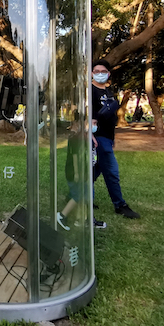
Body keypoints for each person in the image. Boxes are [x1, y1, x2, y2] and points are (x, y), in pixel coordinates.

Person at [91, 60, 140, 219]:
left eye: (103, 71)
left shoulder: (109, 92)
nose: (100, 74)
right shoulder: (89, 91)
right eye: (96, 71)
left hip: (107, 137)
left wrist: (112, 138)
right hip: (98, 137)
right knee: (111, 172)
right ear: (91, 73)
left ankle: (80, 198)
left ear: (108, 73)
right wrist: (90, 133)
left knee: (94, 171)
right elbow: (85, 114)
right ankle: (120, 205)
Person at [57, 115, 106, 230]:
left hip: (83, 171)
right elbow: (75, 156)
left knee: (84, 195)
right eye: (92, 123)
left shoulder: (84, 137)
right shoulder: (76, 138)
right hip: (76, 172)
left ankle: (83, 219)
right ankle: (62, 215)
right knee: (78, 195)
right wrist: (77, 173)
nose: (93, 126)